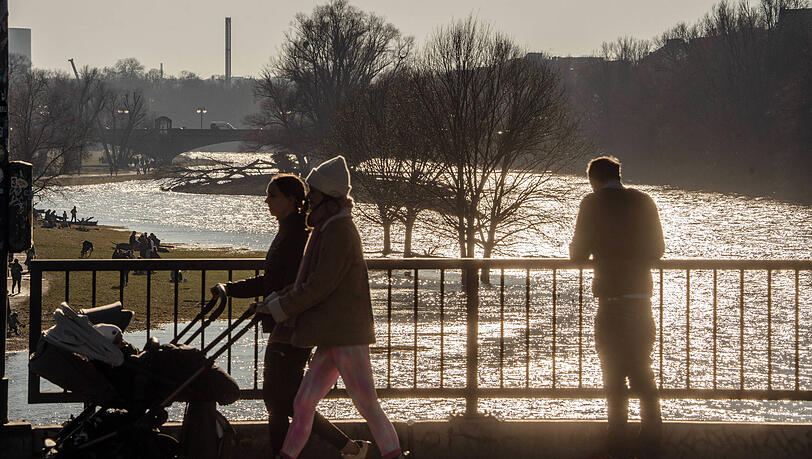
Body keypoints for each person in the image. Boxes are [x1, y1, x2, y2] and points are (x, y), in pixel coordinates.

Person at [255, 156, 406, 459]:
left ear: (327, 194)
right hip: (334, 334)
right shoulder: (328, 228)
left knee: (365, 404)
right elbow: (307, 283)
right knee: (303, 403)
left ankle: (394, 454)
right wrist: (273, 303)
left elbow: (318, 285)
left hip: (345, 335)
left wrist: (278, 306)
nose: (308, 198)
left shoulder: (338, 231)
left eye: (312, 192)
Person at [211, 173, 366, 459]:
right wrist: (234, 290)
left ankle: (343, 448)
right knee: (288, 401)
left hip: (292, 324)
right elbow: (272, 280)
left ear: (292, 200)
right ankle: (347, 448)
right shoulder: (289, 229)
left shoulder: (297, 235)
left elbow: (293, 284)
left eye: (273, 196)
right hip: (284, 320)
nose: (267, 201)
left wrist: (265, 301)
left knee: (281, 400)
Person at [569, 156, 664, 459]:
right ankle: (652, 437)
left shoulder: (592, 203)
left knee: (611, 371)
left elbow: (578, 254)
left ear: (593, 180)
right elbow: (658, 249)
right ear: (619, 175)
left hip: (610, 301)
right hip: (641, 299)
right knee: (642, 369)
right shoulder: (644, 201)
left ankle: (617, 439)